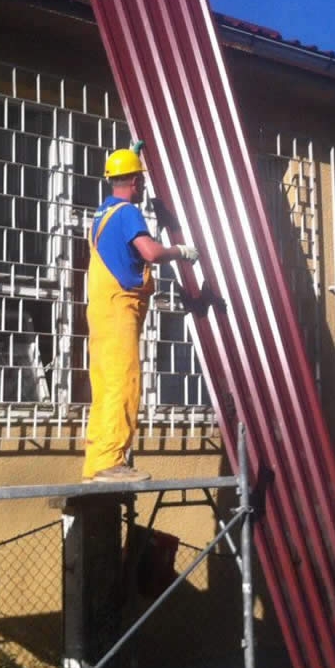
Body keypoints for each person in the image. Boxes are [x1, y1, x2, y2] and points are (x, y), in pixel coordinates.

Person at [83, 143, 198, 483]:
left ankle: (96, 464)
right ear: (133, 181)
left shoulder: (101, 214)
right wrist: (181, 251)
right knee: (125, 381)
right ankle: (112, 463)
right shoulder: (128, 212)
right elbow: (148, 251)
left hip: (101, 308)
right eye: (141, 180)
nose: (144, 186)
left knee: (104, 385)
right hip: (120, 306)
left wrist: (130, 156)